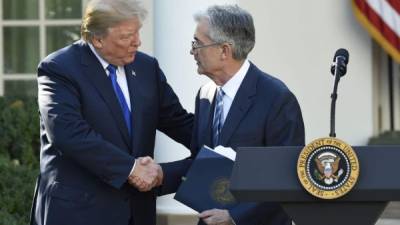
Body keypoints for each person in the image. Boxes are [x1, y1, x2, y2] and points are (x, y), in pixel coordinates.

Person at [30, 0, 193, 225]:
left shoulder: (147, 68)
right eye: (127, 36)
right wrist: (131, 169)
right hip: (79, 212)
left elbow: (178, 121)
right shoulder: (58, 68)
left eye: (137, 32)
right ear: (97, 39)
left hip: (137, 212)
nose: (137, 42)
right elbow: (68, 133)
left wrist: (224, 144)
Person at [189, 5, 305, 225]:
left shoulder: (277, 98)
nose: (193, 51)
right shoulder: (205, 95)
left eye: (198, 44)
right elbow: (199, 160)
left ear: (224, 50)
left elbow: (288, 175)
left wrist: (235, 216)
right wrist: (152, 173)